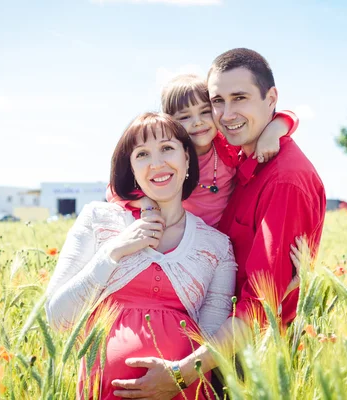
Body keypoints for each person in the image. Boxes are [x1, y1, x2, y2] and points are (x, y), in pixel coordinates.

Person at [111, 48, 326, 400]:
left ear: (271, 98)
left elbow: (263, 301)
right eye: (218, 101)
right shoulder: (236, 154)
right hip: (214, 344)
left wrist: (183, 373)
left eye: (239, 98)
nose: (225, 115)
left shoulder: (285, 180)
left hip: (249, 356)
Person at [45, 112, 238, 399]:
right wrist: (114, 251)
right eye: (143, 154)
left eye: (167, 149)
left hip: (186, 392)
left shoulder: (216, 246)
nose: (157, 163)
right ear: (131, 168)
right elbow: (57, 317)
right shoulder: (98, 219)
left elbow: (210, 338)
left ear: (187, 158)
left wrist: (177, 376)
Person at [108, 74, 298, 229]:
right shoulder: (168, 159)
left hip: (224, 239)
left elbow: (291, 116)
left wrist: (274, 130)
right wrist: (144, 202)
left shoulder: (227, 146)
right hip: (184, 238)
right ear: (170, 122)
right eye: (185, 116)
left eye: (205, 112)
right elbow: (116, 191)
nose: (197, 122)